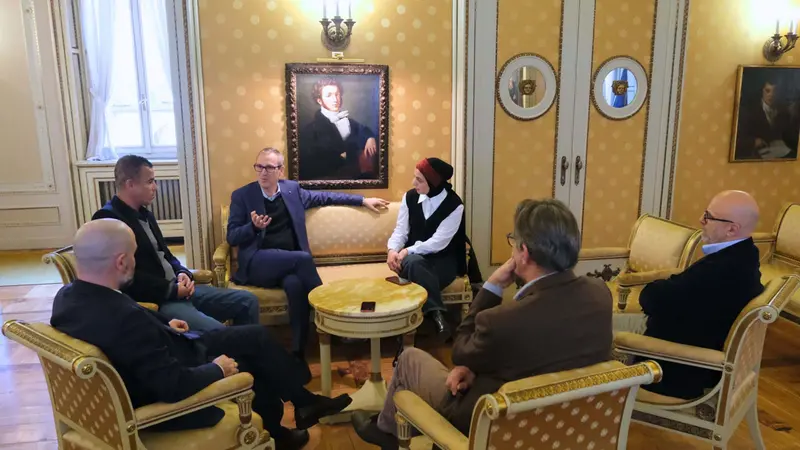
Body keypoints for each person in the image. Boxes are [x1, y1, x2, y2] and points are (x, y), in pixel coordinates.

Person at [51, 219, 352, 449]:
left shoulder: (67, 297)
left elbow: (128, 328)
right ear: (121, 261)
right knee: (252, 363)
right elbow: (171, 385)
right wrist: (217, 369)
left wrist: (163, 326)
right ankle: (280, 427)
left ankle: (302, 403)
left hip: (166, 350)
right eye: (133, 254)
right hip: (169, 389)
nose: (135, 260)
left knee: (255, 337)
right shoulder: (124, 319)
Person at [354, 199, 614, 446]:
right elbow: (540, 353)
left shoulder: (502, 321)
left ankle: (387, 433)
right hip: (572, 428)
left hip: (493, 424)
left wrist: (492, 286)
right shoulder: (600, 294)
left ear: (523, 253)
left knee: (409, 360)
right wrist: (474, 367)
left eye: (513, 241)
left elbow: (460, 351)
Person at [227, 148, 389, 360]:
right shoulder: (242, 196)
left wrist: (362, 200)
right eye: (259, 167)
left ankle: (298, 352)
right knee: (303, 259)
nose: (263, 172)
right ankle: (335, 317)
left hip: (289, 264)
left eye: (269, 168)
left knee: (295, 286)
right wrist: (253, 227)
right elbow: (232, 237)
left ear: (280, 171)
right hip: (258, 262)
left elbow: (325, 197)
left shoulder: (292, 190)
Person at [92, 155, 259, 332]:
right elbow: (125, 278)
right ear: (130, 184)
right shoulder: (109, 220)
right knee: (221, 334)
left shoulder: (145, 214)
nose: (155, 187)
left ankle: (246, 349)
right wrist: (172, 290)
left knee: (248, 301)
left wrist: (182, 272)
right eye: (150, 182)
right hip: (158, 301)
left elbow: (166, 255)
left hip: (179, 290)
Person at [638, 190, 764, 399]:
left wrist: (662, 286)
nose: (701, 220)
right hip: (690, 343)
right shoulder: (745, 255)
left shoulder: (722, 270)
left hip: (676, 369)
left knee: (599, 330)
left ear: (731, 229)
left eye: (708, 216)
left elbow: (653, 299)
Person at [386, 158, 467, 339]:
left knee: (414, 266)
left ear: (433, 182)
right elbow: (401, 231)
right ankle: (437, 315)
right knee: (415, 263)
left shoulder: (454, 205)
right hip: (413, 260)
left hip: (442, 261)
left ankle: (406, 332)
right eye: (415, 177)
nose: (413, 183)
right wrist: (392, 250)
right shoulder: (410, 197)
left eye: (419, 180)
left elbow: (439, 242)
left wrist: (407, 250)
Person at [298, 77, 378, 180]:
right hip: (326, 180)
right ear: (319, 100)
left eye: (337, 94)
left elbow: (364, 130)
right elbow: (311, 164)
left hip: (355, 180)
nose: (335, 99)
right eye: (329, 95)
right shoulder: (310, 130)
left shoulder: (349, 122)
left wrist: (370, 138)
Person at [735, 79, 799, 160]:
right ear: (762, 91)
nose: (771, 95)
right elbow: (737, 139)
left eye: (775, 92)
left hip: (780, 156)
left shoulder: (784, 112)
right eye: (767, 91)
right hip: (755, 156)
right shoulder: (749, 112)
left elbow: (790, 136)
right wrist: (754, 141)